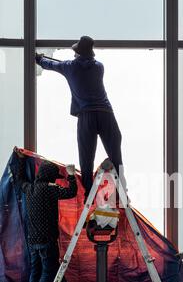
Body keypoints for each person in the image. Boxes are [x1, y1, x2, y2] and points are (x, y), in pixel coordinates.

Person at [35, 35, 126, 201]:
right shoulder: (99, 67)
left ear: (77, 53)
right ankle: (122, 189)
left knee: (86, 156)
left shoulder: (70, 66)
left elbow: (50, 64)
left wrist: (39, 58)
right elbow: (85, 63)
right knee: (115, 154)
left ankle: (88, 193)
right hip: (106, 113)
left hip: (87, 115)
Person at [13, 147, 77, 282]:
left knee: (36, 270)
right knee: (48, 270)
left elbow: (19, 181)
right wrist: (71, 175)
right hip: (47, 240)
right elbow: (71, 192)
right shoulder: (49, 189)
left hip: (32, 240)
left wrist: (20, 160)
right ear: (49, 176)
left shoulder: (29, 188)